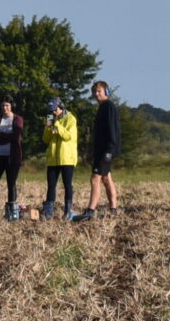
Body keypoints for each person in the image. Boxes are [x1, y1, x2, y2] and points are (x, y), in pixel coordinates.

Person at [80, 79, 120, 220]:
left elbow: (112, 130)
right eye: (94, 92)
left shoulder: (109, 106)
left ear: (106, 92)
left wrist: (110, 150)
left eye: (99, 91)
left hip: (107, 150)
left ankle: (91, 210)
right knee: (106, 178)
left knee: (94, 178)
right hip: (101, 150)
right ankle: (114, 208)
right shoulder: (102, 107)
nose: (96, 94)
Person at [39, 96, 79, 218]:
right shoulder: (50, 119)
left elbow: (68, 136)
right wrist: (48, 127)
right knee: (51, 185)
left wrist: (57, 124)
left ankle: (67, 211)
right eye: (51, 111)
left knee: (67, 185)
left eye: (55, 109)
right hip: (53, 158)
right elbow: (46, 139)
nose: (53, 112)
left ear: (61, 106)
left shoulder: (71, 119)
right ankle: (49, 212)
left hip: (67, 158)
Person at [0, 97, 25, 219]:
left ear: (11, 106)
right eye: (2, 105)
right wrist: (8, 136)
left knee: (11, 184)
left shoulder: (17, 119)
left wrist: (1, 136)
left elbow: (16, 135)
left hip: (12, 158)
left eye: (7, 105)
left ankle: (11, 212)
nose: (4, 108)